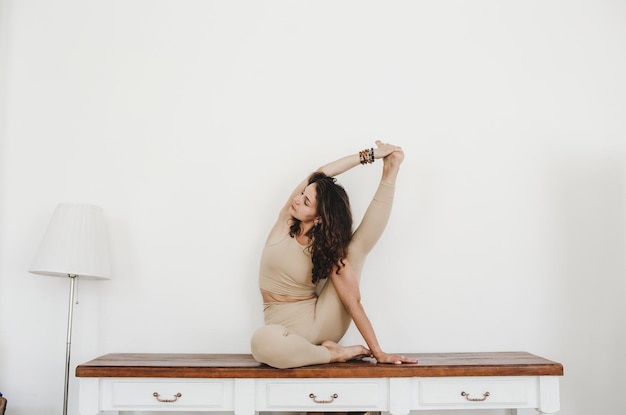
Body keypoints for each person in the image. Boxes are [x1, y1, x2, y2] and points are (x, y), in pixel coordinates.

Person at [250, 140, 417, 369]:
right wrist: (370, 155)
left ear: (318, 217)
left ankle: (390, 174)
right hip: (281, 331)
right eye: (302, 194)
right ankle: (330, 354)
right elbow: (320, 173)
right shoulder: (285, 221)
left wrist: (379, 352)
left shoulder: (324, 248)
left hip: (319, 322)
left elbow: (352, 301)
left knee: (354, 250)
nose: (297, 200)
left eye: (306, 201)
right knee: (261, 341)